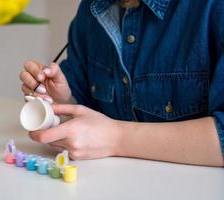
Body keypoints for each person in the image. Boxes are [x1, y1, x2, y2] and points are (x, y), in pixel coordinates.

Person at [19, 0, 224, 167]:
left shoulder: (213, 8)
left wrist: (116, 138)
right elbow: (84, 105)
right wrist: (62, 101)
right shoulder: (90, 11)